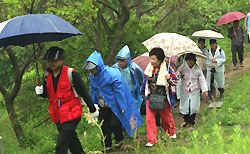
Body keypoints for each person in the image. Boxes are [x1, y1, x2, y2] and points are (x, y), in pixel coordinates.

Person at [35, 46, 99, 154]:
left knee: (60, 147)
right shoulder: (47, 74)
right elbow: (47, 94)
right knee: (73, 143)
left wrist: (92, 109)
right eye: (49, 61)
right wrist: (41, 92)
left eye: (54, 60)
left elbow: (83, 92)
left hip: (72, 114)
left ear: (61, 60)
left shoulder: (71, 73)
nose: (51, 63)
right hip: (57, 115)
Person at [82, 51, 143, 153]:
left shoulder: (112, 74)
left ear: (98, 66)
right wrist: (93, 105)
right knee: (104, 125)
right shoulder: (92, 76)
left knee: (115, 124)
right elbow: (93, 90)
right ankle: (107, 144)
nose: (91, 71)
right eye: (90, 69)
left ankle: (119, 138)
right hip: (102, 104)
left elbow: (119, 91)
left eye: (93, 69)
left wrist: (122, 106)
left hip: (115, 103)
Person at [140, 48, 177, 147]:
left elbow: (175, 82)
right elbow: (145, 82)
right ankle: (151, 139)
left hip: (163, 97)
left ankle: (171, 132)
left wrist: (169, 78)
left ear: (160, 59)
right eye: (150, 59)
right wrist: (143, 92)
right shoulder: (148, 69)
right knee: (149, 119)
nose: (151, 61)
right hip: (151, 97)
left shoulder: (168, 69)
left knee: (166, 117)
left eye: (154, 59)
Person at [176, 53, 208, 127]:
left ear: (194, 61)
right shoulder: (182, 68)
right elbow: (176, 77)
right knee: (185, 106)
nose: (190, 62)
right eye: (188, 60)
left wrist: (205, 90)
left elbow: (202, 80)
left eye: (191, 60)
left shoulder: (197, 69)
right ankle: (186, 120)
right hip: (185, 90)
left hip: (194, 90)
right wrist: (179, 72)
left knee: (193, 107)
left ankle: (191, 122)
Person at [112, 45, 145, 112]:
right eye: (119, 60)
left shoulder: (135, 69)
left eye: (122, 60)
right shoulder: (115, 68)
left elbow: (141, 82)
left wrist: (142, 94)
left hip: (133, 96)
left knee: (133, 116)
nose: (120, 62)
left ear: (127, 59)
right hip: (119, 95)